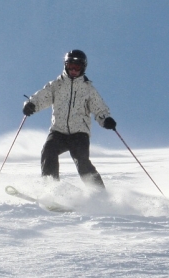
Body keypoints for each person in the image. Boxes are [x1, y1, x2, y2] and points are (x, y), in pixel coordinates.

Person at [23, 50, 116, 188]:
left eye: (77, 67)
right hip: (58, 131)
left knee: (82, 161)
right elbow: (42, 97)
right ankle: (52, 188)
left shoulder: (88, 89)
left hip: (79, 133)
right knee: (48, 151)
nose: (73, 70)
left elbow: (99, 108)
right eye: (71, 65)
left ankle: (99, 193)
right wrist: (31, 105)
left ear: (83, 67)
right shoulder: (56, 85)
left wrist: (106, 119)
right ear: (65, 65)